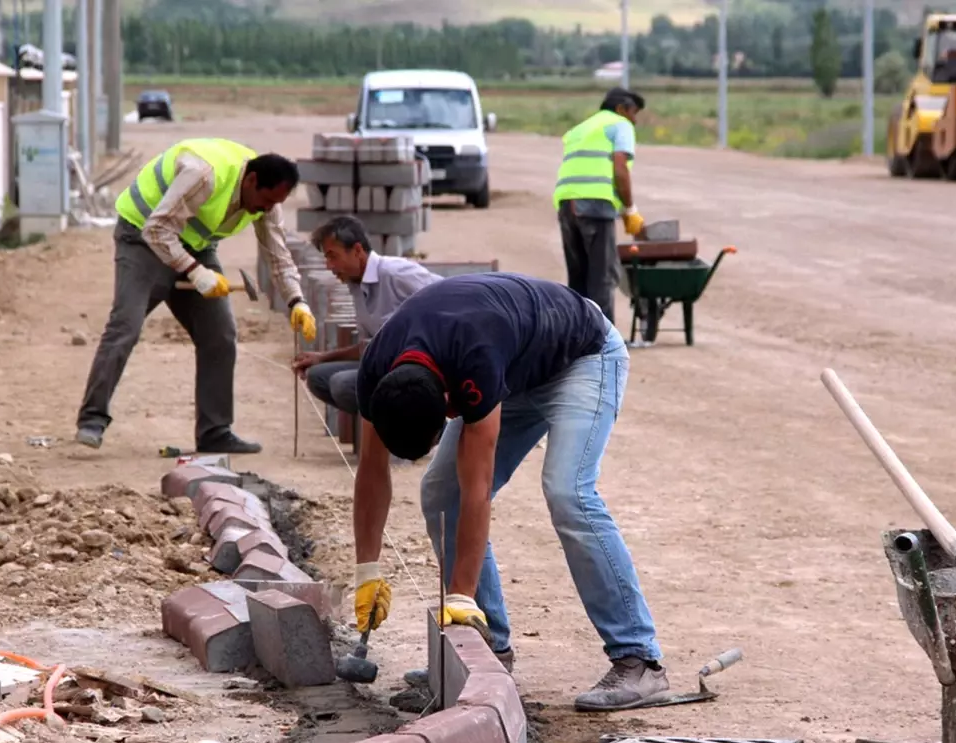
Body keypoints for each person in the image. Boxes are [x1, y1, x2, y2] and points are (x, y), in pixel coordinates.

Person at [349, 271, 669, 712]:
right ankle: (489, 651)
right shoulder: (376, 371)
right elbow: (370, 470)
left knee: (567, 492)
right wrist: (366, 568)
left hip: (582, 357)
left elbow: (477, 489)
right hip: (514, 366)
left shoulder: (474, 357)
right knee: (440, 494)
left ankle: (640, 659)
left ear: (446, 400)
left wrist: (459, 594)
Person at [75, 138, 317, 454]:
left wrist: (297, 301)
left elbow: (278, 254)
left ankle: (215, 431)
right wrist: (196, 273)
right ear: (252, 180)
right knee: (126, 326)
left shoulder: (267, 200)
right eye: (265, 201)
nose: (266, 210)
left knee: (220, 334)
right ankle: (92, 419)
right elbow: (157, 230)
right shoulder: (204, 175)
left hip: (195, 246)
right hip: (142, 238)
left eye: (274, 204)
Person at [291, 215, 440, 415]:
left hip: (419, 368)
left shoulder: (396, 273)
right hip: (387, 365)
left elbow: (447, 299)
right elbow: (368, 347)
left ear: (358, 251)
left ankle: (425, 426)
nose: (329, 265)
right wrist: (323, 357)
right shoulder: (356, 286)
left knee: (344, 385)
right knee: (318, 377)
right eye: (326, 258)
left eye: (332, 256)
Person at [553, 87, 647, 326]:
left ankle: (578, 340)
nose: (635, 119)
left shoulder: (579, 129)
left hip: (566, 204)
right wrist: (629, 209)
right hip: (595, 204)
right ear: (620, 109)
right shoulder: (620, 125)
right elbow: (620, 169)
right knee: (603, 277)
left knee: (578, 278)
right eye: (633, 112)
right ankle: (604, 344)